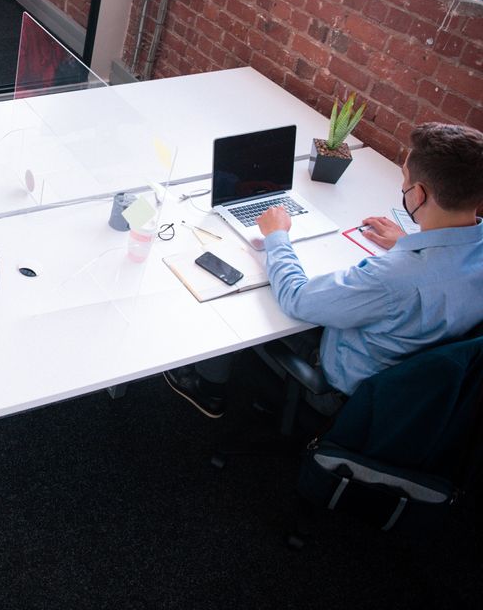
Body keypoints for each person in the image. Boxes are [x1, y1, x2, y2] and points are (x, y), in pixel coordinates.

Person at [166, 122, 483, 418]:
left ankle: (208, 388)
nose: (403, 184)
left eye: (405, 177)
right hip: (419, 391)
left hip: (343, 387)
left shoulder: (393, 278)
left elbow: (298, 300)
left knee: (241, 295)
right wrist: (415, 241)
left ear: (417, 195)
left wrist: (276, 234)